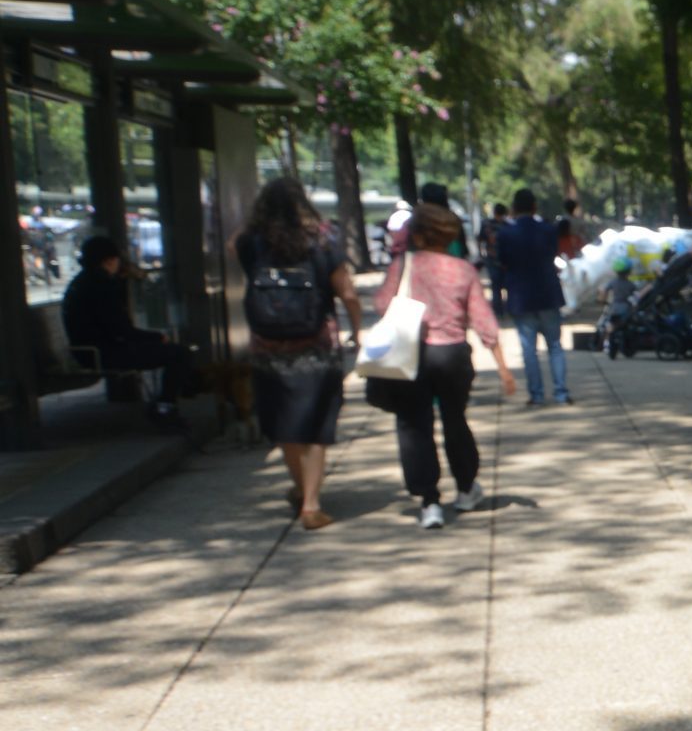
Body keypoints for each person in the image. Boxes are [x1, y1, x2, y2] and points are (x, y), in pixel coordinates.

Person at [374, 193, 514, 529]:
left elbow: (382, 304)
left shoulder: (402, 266)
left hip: (413, 353)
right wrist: (503, 367)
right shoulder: (463, 270)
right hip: (452, 355)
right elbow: (483, 321)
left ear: (416, 234)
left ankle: (429, 501)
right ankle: (466, 488)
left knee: (414, 425)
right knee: (455, 420)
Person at [233, 178, 364, 530]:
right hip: (315, 347)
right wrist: (356, 330)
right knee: (317, 425)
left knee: (285, 426)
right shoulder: (322, 243)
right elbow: (348, 294)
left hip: (267, 349)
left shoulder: (251, 244)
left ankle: (298, 487)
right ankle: (311, 504)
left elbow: (234, 245)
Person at [61, 233, 201, 421]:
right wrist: (156, 337)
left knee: (174, 352)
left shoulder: (81, 282)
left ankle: (168, 402)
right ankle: (165, 406)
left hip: (90, 349)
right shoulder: (102, 286)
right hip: (107, 351)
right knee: (180, 354)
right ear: (110, 260)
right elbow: (121, 330)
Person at [494, 187, 572, 405]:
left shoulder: (505, 233)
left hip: (521, 295)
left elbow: (502, 262)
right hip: (548, 292)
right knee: (555, 346)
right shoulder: (548, 230)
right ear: (534, 206)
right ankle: (561, 393)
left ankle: (536, 395)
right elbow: (553, 253)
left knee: (529, 349)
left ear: (513, 208)